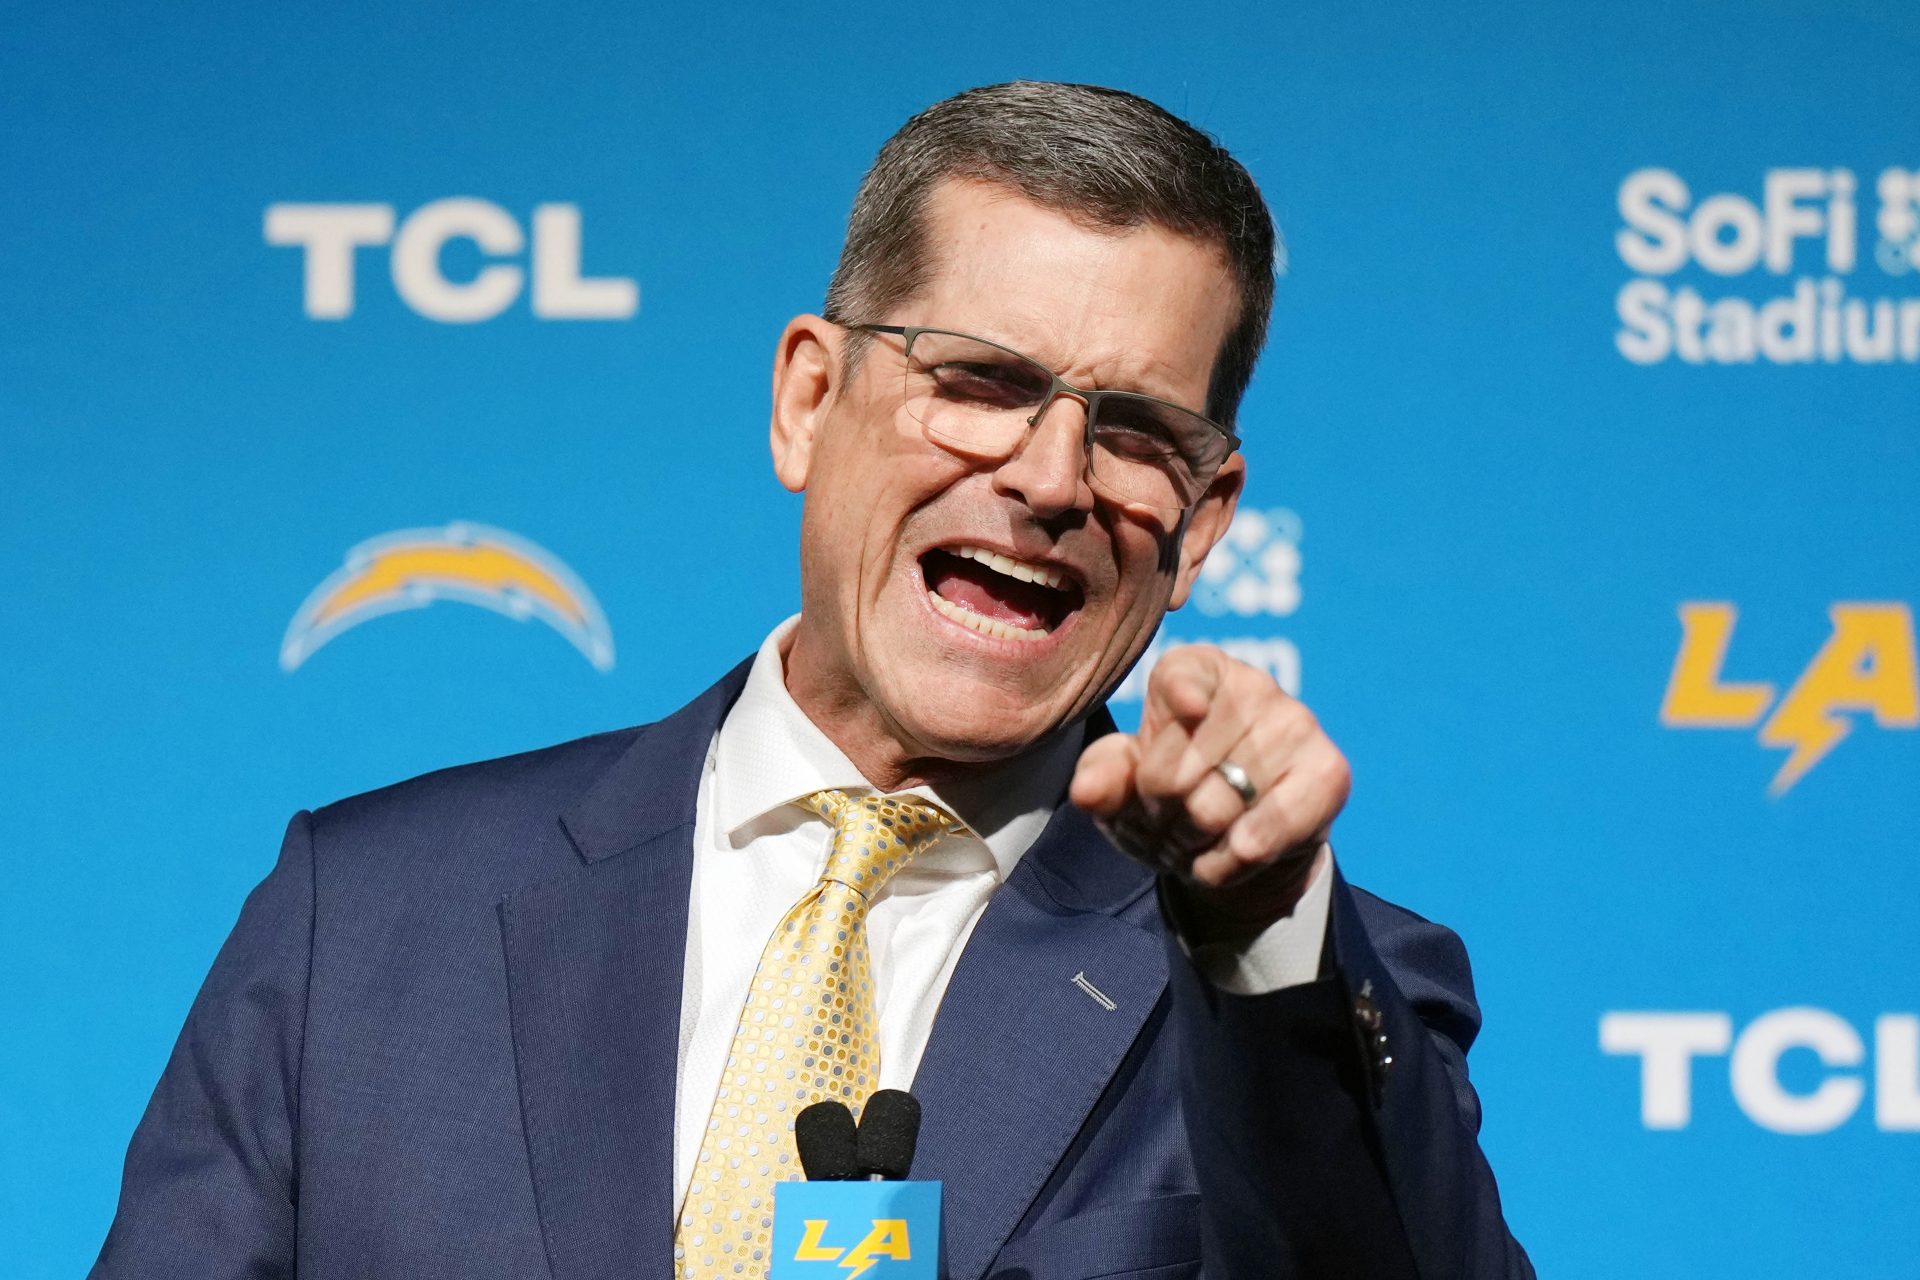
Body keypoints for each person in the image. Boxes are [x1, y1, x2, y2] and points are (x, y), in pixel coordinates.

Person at [92, 81, 1532, 1279]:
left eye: (1136, 432)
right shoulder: (365, 919)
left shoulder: (1309, 985)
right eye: (978, 381)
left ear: (1204, 523)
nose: (1048, 478)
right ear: (807, 400)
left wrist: (1256, 946)